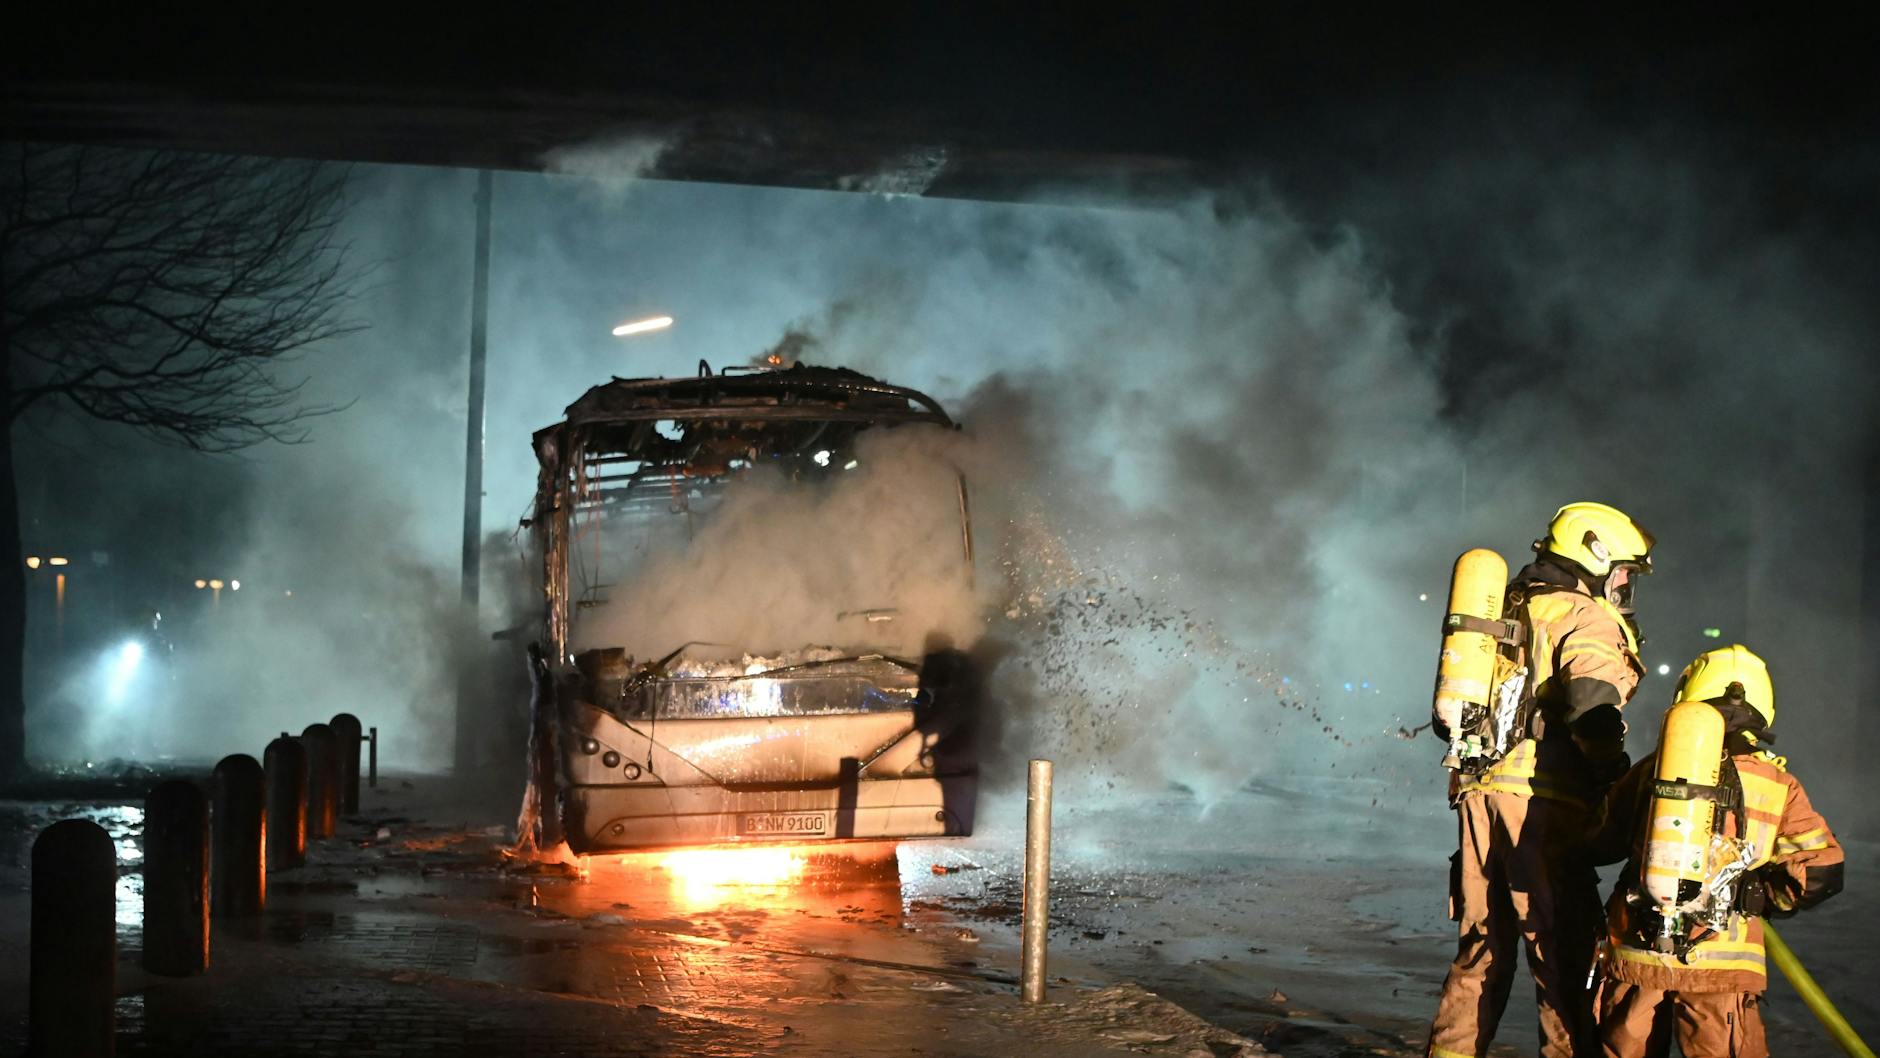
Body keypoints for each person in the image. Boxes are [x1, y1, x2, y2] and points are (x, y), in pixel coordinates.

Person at [1427, 502, 1654, 1058]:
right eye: (1623, 569)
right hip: (1542, 807)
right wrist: (1611, 773)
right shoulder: (1584, 615)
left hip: (1480, 797)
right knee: (1564, 958)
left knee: (1481, 952)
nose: (1625, 583)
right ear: (1594, 554)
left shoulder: (1505, 609)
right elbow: (1592, 705)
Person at [1587, 645, 1843, 1058]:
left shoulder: (1651, 769)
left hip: (1638, 952)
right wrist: (1756, 892)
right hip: (1722, 967)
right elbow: (1822, 872)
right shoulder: (1778, 784)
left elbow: (1599, 843)